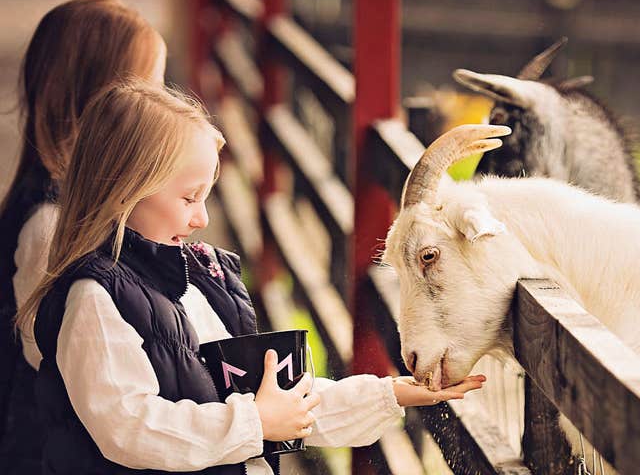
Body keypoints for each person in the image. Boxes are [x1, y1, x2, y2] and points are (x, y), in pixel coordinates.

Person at [17, 81, 485, 475]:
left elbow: (276, 400)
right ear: (125, 190)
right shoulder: (94, 299)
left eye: (207, 197)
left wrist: (392, 392)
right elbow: (129, 427)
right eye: (189, 198)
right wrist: (254, 424)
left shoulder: (202, 282)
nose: (202, 217)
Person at [0, 0, 167, 471]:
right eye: (150, 92)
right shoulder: (50, 227)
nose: (162, 110)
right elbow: (56, 363)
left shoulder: (82, 207)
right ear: (100, 103)